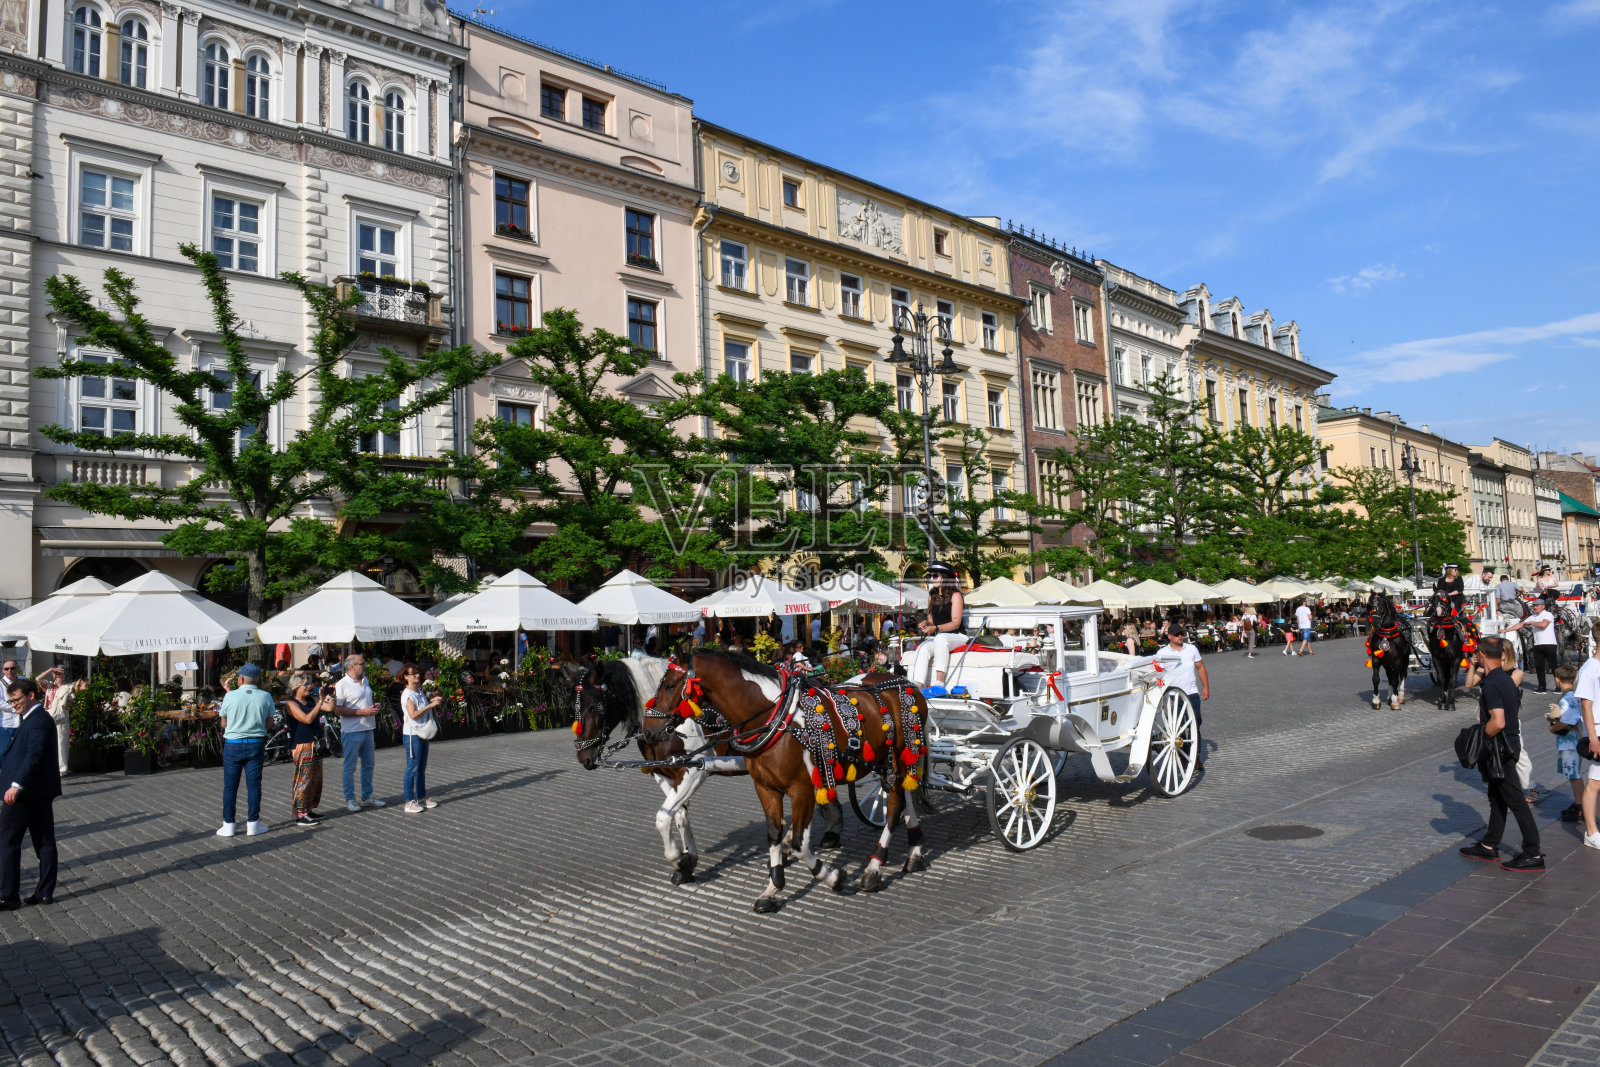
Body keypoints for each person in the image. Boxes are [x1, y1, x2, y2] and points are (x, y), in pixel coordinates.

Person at [1459, 636, 1544, 871]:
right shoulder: (1504, 679)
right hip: (1508, 745)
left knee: (1516, 801)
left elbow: (1497, 722)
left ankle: (1533, 853)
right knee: (1497, 798)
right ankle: (1489, 846)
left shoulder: (1493, 684)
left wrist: (1478, 739)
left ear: (1482, 654)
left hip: (1501, 748)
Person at [0, 679, 59, 908]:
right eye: (11, 701)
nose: (14, 705)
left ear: (31, 695)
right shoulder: (34, 718)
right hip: (37, 792)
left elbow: (34, 755)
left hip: (24, 794)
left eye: (17, 700)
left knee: (7, 842)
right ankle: (44, 892)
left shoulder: (36, 721)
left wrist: (16, 784)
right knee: (43, 841)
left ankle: (8, 895)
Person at [216, 663, 275, 838]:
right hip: (255, 742)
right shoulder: (266, 696)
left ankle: (228, 824)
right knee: (254, 785)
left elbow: (223, 722)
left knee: (230, 786)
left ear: (241, 679)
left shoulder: (231, 696)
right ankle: (253, 823)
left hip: (233, 743)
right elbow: (270, 722)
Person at [1153, 622, 1210, 764]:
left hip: (1191, 692)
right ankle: (1184, 756)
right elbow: (1158, 675)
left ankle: (1195, 755)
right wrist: (1164, 696)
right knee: (1177, 728)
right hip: (1173, 696)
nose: (1180, 636)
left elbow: (1201, 667)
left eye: (1182, 634)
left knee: (1195, 723)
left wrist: (1206, 687)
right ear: (1169, 636)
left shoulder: (1191, 649)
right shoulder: (1162, 653)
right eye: (1177, 634)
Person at [335, 654, 385, 813]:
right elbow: (338, 710)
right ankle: (350, 799)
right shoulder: (342, 684)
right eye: (362, 664)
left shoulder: (365, 679)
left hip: (368, 728)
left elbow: (364, 700)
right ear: (351, 666)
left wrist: (373, 706)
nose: (365, 666)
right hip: (351, 731)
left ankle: (367, 796)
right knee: (350, 767)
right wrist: (362, 711)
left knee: (369, 764)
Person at [910, 562, 967, 688]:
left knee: (940, 638)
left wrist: (935, 628)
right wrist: (926, 623)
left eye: (935, 575)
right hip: (942, 638)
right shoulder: (932, 596)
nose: (931, 579)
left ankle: (939, 684)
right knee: (923, 647)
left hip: (958, 636)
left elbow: (956, 623)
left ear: (945, 577)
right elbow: (931, 621)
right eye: (930, 576)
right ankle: (917, 686)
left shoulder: (956, 595)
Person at [399, 663, 440, 814]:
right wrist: (429, 707)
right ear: (406, 677)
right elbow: (413, 714)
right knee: (412, 768)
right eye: (413, 674)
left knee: (421, 768)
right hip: (412, 734)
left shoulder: (419, 692)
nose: (417, 676)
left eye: (417, 673)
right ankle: (409, 801)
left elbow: (421, 709)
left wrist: (432, 702)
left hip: (422, 732)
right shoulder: (408, 694)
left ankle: (421, 797)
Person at [285, 675, 326, 828]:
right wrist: (320, 702)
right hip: (302, 745)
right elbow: (307, 719)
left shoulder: (311, 700)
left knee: (315, 779)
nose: (309, 686)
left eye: (309, 683)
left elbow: (330, 708)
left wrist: (328, 695)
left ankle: (308, 809)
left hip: (315, 743)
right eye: (305, 684)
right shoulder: (291, 704)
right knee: (303, 780)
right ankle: (300, 813)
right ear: (296, 687)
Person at [1547, 664, 1584, 823]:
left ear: (1556, 680)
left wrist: (1553, 728)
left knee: (1574, 775)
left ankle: (1580, 805)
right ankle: (1579, 803)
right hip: (1570, 743)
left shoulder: (1568, 699)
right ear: (1575, 680)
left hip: (1570, 744)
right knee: (1573, 775)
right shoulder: (1572, 696)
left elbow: (1568, 721)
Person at [1575, 621, 1600, 850]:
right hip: (1598, 729)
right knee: (1595, 781)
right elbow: (1586, 706)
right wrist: (1593, 737)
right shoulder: (1589, 669)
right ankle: (1591, 832)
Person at [1504, 598, 1558, 693]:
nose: (1535, 608)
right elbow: (1521, 624)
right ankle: (1542, 687)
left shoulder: (1548, 615)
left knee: (1553, 666)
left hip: (1549, 644)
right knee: (1539, 667)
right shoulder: (1533, 617)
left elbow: (1544, 625)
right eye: (1534, 606)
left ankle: (1559, 686)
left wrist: (1532, 622)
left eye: (1537, 606)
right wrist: (1506, 630)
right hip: (1538, 644)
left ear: (1543, 606)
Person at [0, 660, 19, 756]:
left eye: (12, 668)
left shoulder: (23, 681)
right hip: (6, 724)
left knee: (19, 751)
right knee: (2, 751)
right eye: (6, 669)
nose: (9, 671)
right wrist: (16, 708)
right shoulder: (0, 684)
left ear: (17, 669)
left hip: (21, 722)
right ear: (3, 671)